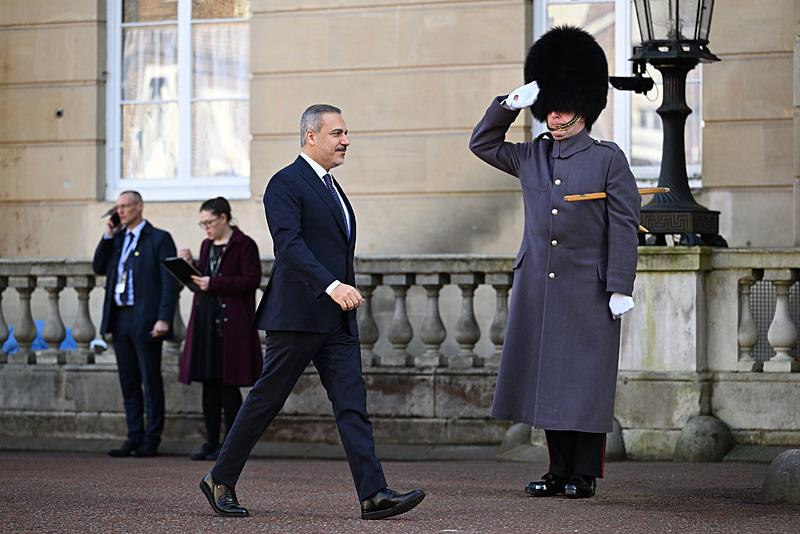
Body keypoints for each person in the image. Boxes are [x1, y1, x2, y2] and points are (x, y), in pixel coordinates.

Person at [199, 104, 425, 520]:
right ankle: (220, 479)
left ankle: (373, 495)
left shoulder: (332, 186)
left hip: (336, 319)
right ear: (311, 137)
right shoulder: (284, 183)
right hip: (298, 315)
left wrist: (338, 292)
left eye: (346, 133)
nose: (346, 140)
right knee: (265, 401)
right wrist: (333, 285)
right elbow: (290, 245)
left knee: (352, 403)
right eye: (337, 133)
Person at [469, 26, 640, 499]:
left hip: (589, 286)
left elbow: (624, 226)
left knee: (584, 384)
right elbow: (481, 144)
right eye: (551, 104)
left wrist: (620, 285)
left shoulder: (608, 160)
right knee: (547, 382)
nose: (556, 112)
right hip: (540, 287)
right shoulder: (532, 156)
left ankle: (583, 474)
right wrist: (510, 103)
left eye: (563, 104)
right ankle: (557, 469)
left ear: (584, 106)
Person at [93, 190, 178, 458]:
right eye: (118, 207)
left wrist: (164, 317)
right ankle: (133, 435)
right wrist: (107, 235)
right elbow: (98, 266)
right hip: (120, 318)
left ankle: (151, 438)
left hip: (146, 318)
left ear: (139, 207)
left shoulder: (159, 238)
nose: (121, 212)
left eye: (126, 206)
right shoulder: (117, 239)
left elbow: (169, 281)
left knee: (149, 379)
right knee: (128, 380)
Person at [178, 197, 263, 461]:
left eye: (209, 222)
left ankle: (231, 445)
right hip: (206, 322)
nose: (206, 228)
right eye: (202, 223)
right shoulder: (206, 245)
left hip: (232, 326)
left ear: (224, 218)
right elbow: (203, 280)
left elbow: (250, 281)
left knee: (229, 386)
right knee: (209, 384)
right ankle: (211, 441)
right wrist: (190, 265)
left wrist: (212, 283)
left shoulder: (244, 244)